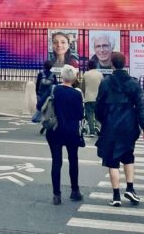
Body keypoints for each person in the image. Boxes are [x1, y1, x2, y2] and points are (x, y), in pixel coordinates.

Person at [95, 52, 144, 207]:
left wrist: (103, 120)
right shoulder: (133, 83)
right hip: (128, 124)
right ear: (125, 63)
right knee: (128, 156)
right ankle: (130, 188)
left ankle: (116, 195)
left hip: (111, 125)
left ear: (112, 64)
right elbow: (140, 107)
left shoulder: (106, 82)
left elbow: (99, 106)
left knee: (112, 162)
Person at [45, 65, 85, 205]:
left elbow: (43, 104)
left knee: (56, 162)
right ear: (74, 78)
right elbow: (80, 115)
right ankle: (75, 190)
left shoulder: (55, 90)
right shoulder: (77, 94)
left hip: (55, 129)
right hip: (71, 131)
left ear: (62, 76)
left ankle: (57, 195)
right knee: (73, 160)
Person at [81, 66, 103, 136]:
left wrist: (84, 95)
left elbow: (82, 87)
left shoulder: (85, 74)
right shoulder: (100, 75)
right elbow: (103, 86)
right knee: (98, 114)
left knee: (90, 115)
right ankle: (98, 128)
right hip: (98, 98)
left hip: (88, 98)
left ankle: (92, 131)